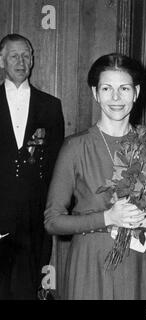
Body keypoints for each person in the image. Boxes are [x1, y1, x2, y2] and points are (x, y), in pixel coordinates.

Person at [44, 53, 146, 300]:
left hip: (137, 263)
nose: (116, 97)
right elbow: (53, 221)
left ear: (136, 92)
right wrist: (107, 217)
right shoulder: (75, 147)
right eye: (107, 88)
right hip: (90, 265)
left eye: (124, 88)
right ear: (95, 93)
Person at [0, 34, 64, 299]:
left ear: (33, 60)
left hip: (33, 214)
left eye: (26, 55)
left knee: (27, 287)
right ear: (1, 60)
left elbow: (56, 163)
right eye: (14, 55)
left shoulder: (50, 105)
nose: (21, 61)